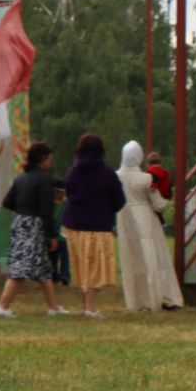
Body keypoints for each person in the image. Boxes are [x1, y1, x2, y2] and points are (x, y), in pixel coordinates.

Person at [0, 142, 67, 319]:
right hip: (34, 225)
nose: (51, 161)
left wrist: (23, 206)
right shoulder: (44, 180)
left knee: (43, 270)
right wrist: (52, 236)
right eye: (50, 158)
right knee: (21, 269)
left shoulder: (21, 178)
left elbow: (7, 202)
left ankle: (53, 308)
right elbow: (46, 212)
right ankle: (2, 306)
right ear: (43, 159)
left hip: (19, 222)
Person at [63, 134, 127, 319]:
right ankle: (91, 309)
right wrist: (106, 211)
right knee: (95, 268)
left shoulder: (74, 171)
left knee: (82, 266)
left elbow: (68, 192)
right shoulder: (107, 173)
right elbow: (119, 200)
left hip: (74, 225)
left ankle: (86, 307)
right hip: (98, 225)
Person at [116, 141, 182, 311]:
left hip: (125, 220)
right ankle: (162, 297)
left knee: (132, 260)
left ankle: (137, 301)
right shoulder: (146, 178)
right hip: (146, 221)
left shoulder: (116, 176)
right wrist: (167, 199)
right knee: (154, 259)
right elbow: (159, 205)